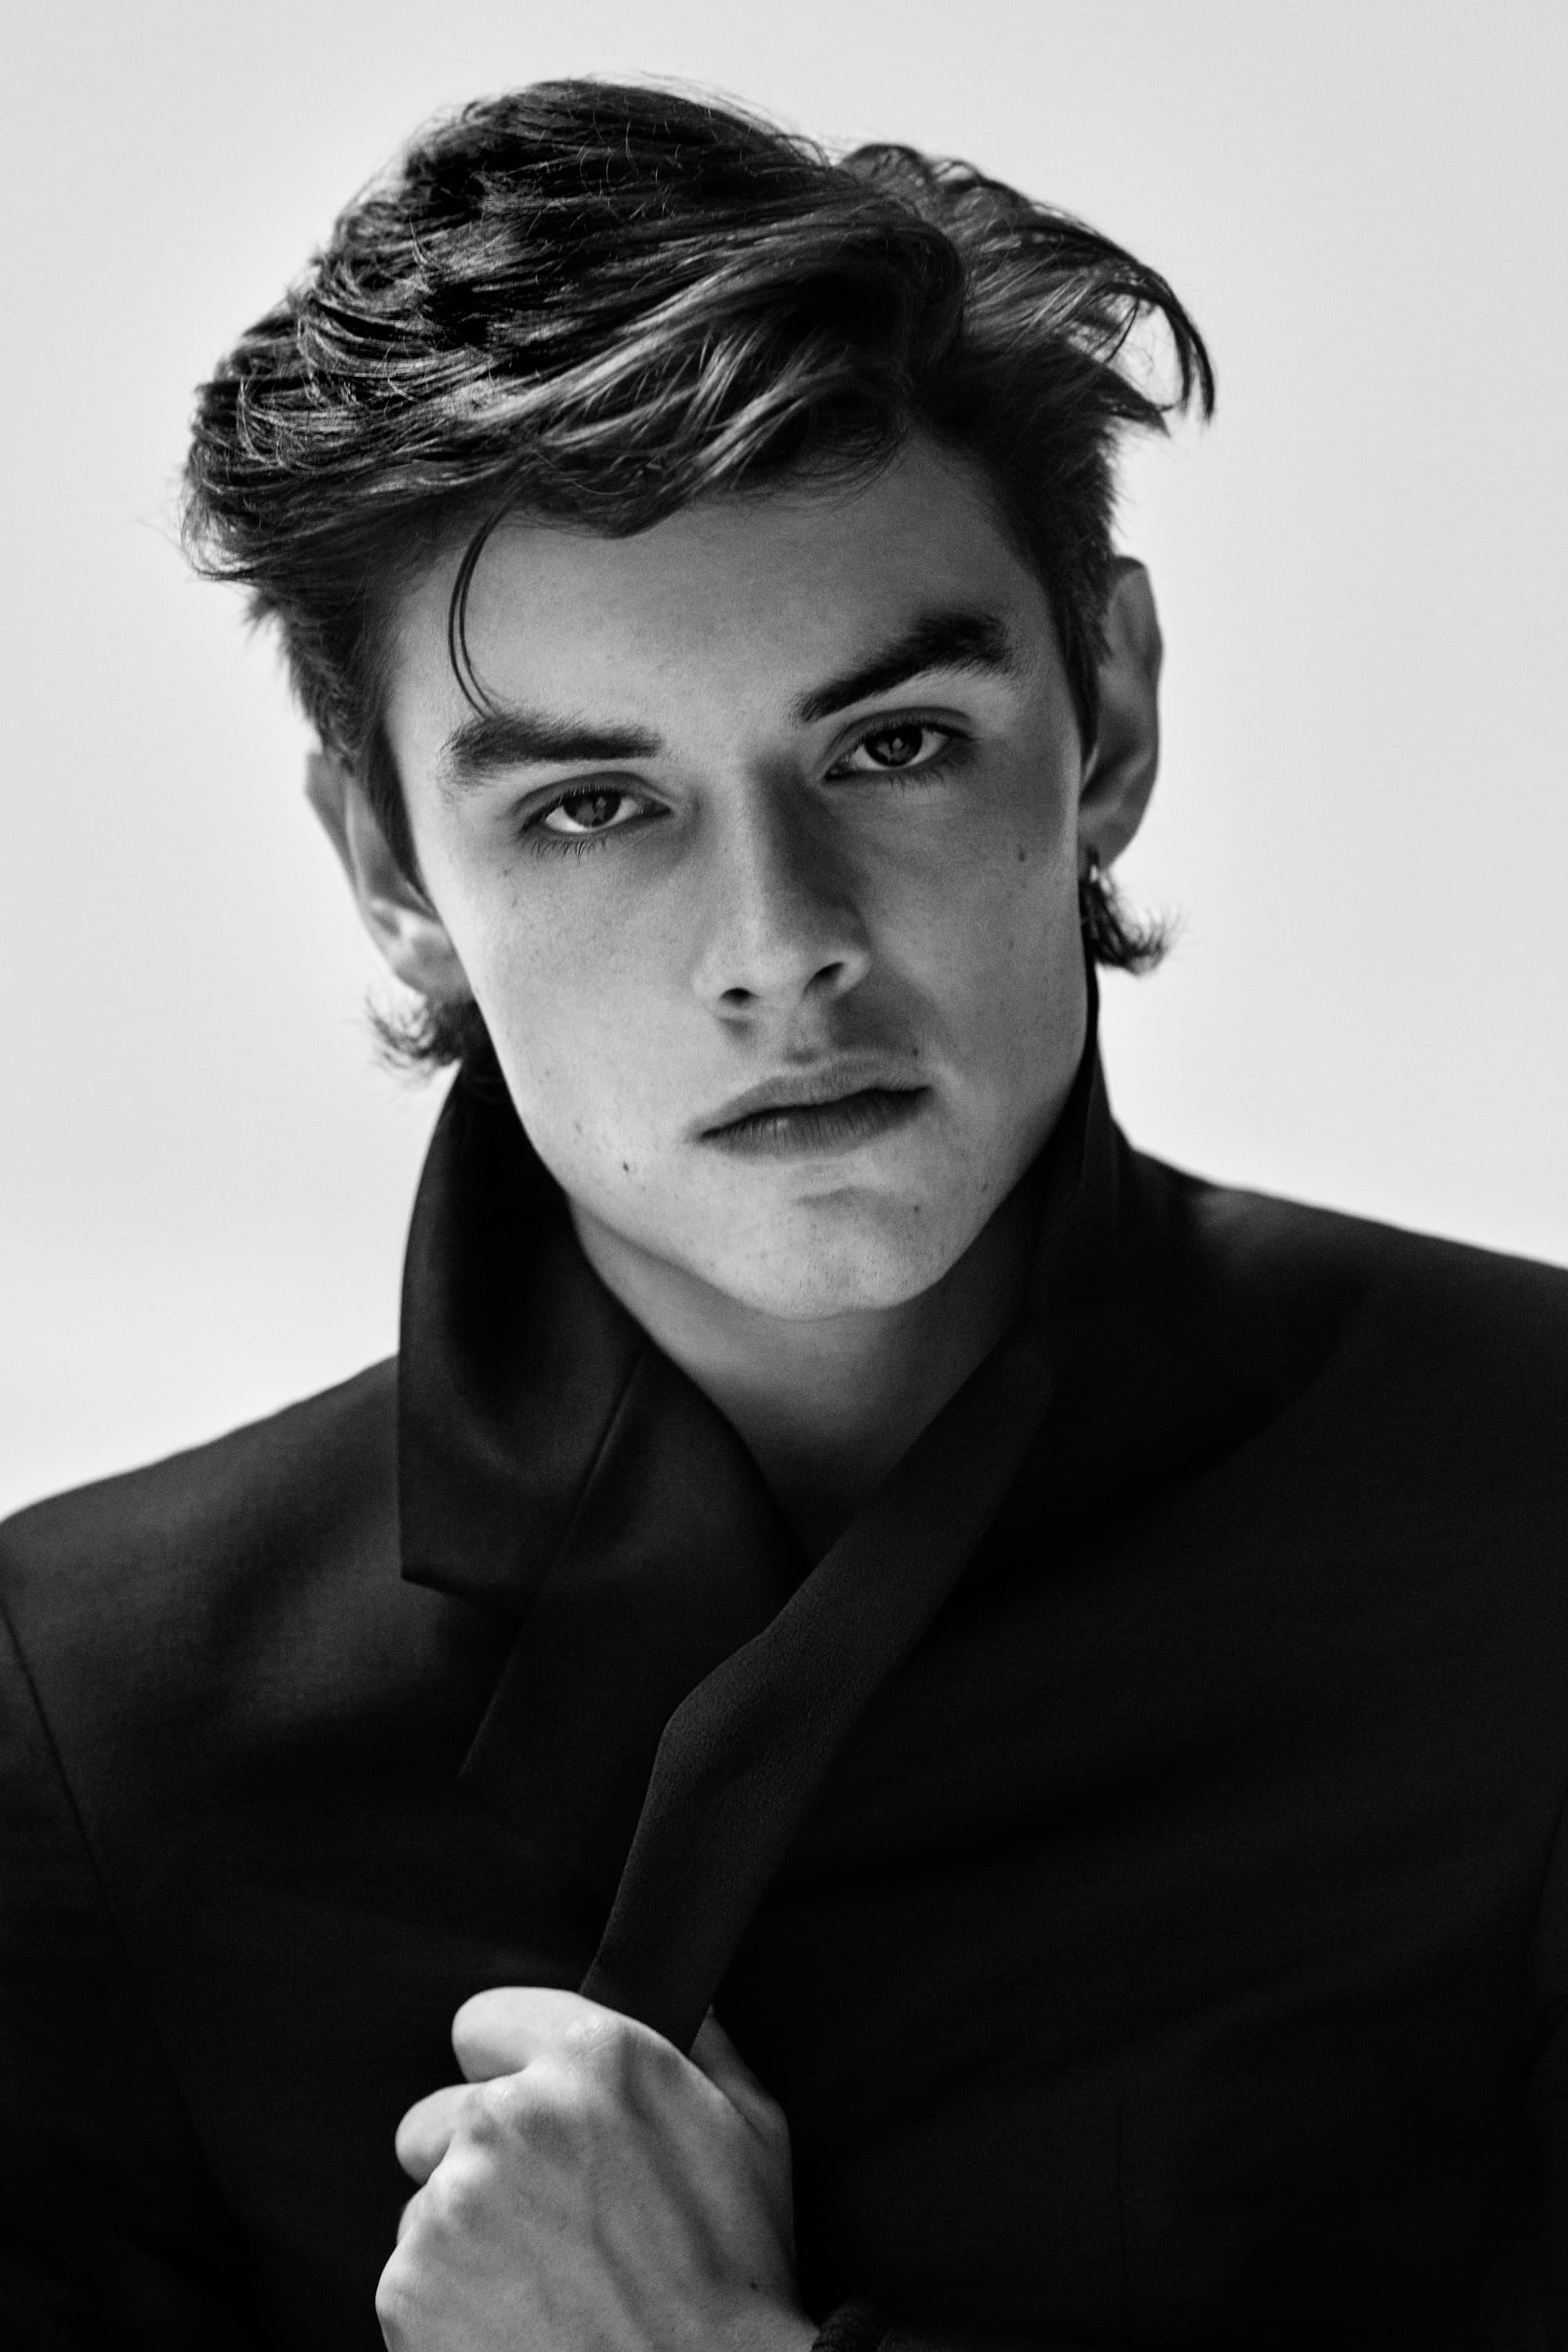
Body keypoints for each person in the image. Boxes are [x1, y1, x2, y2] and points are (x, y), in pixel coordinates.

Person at [2, 75, 1565, 2352]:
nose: (780, 944)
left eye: (892, 744)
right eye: (593, 805)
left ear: (1109, 712)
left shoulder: (1535, 1507)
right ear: (389, 866)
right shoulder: (86, 1717)